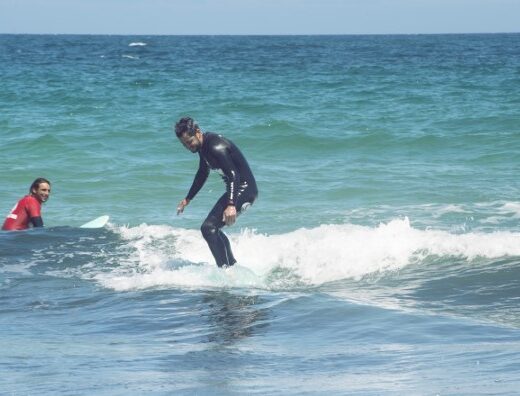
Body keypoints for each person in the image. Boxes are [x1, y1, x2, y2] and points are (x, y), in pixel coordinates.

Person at [175, 117, 258, 268]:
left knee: (208, 228)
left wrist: (231, 204)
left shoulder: (214, 146)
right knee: (212, 229)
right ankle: (231, 267)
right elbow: (202, 173)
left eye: (189, 141)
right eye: (184, 144)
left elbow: (234, 176)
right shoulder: (203, 147)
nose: (187, 146)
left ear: (198, 133)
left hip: (245, 190)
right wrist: (188, 199)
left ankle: (225, 271)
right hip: (237, 188)